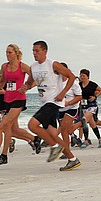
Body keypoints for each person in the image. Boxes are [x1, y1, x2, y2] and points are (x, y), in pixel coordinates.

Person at [22, 40, 77, 169]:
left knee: (32, 125)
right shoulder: (33, 67)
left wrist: (63, 93)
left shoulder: (53, 64)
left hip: (54, 101)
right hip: (43, 102)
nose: (34, 53)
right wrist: (26, 87)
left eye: (37, 51)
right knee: (52, 133)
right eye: (33, 51)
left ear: (45, 51)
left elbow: (72, 76)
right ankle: (72, 159)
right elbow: (30, 82)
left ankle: (54, 146)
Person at [0, 44, 35, 165]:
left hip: (19, 99)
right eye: (6, 52)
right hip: (7, 100)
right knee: (12, 129)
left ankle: (3, 155)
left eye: (10, 52)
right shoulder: (4, 66)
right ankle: (35, 139)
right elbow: (2, 82)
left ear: (16, 53)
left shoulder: (22, 66)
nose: (7, 54)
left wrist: (27, 86)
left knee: (2, 127)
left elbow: (35, 77)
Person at [78, 69, 101, 148]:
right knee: (92, 123)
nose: (82, 77)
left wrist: (95, 96)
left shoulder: (92, 84)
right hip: (83, 106)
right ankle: (100, 139)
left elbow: (100, 90)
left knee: (84, 120)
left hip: (92, 105)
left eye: (84, 75)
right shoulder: (79, 84)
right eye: (81, 75)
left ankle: (86, 140)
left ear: (87, 77)